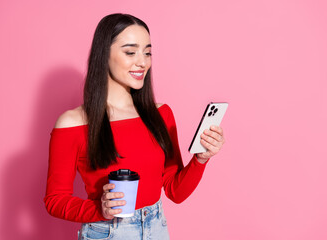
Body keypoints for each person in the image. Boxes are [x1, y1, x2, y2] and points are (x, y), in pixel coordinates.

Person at [43, 13, 225, 240]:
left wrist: (201, 159)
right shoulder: (73, 123)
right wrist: (99, 209)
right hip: (107, 232)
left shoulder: (161, 114)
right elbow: (55, 199)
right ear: (104, 55)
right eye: (130, 52)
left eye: (147, 52)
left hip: (157, 229)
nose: (143, 62)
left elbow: (175, 191)